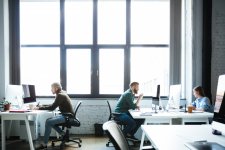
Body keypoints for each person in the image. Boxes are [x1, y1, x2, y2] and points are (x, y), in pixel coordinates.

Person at [35, 82, 74, 150]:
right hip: (66, 115)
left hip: (67, 116)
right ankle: (62, 134)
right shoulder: (61, 93)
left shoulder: (60, 95)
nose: (51, 90)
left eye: (52, 88)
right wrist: (42, 106)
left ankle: (45, 144)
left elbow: (52, 107)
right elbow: (53, 105)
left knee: (48, 122)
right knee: (49, 121)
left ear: (56, 88)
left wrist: (38, 108)